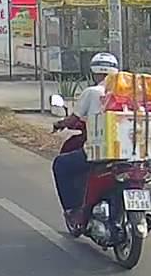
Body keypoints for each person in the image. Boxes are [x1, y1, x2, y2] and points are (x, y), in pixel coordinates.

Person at [51, 51, 119, 229]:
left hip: (100, 152)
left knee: (60, 164)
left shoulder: (92, 92)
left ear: (94, 72)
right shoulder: (131, 93)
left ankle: (73, 211)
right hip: (134, 154)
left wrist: (59, 124)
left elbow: (73, 119)